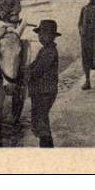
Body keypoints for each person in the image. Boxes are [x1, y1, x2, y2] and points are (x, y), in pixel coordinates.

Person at [28, 19, 60, 147]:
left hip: (45, 91)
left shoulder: (50, 52)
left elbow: (38, 70)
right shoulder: (44, 49)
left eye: (43, 34)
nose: (40, 37)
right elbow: (34, 65)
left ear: (52, 36)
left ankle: (46, 147)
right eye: (39, 34)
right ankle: (45, 144)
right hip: (40, 91)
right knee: (40, 119)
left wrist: (25, 73)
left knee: (41, 121)